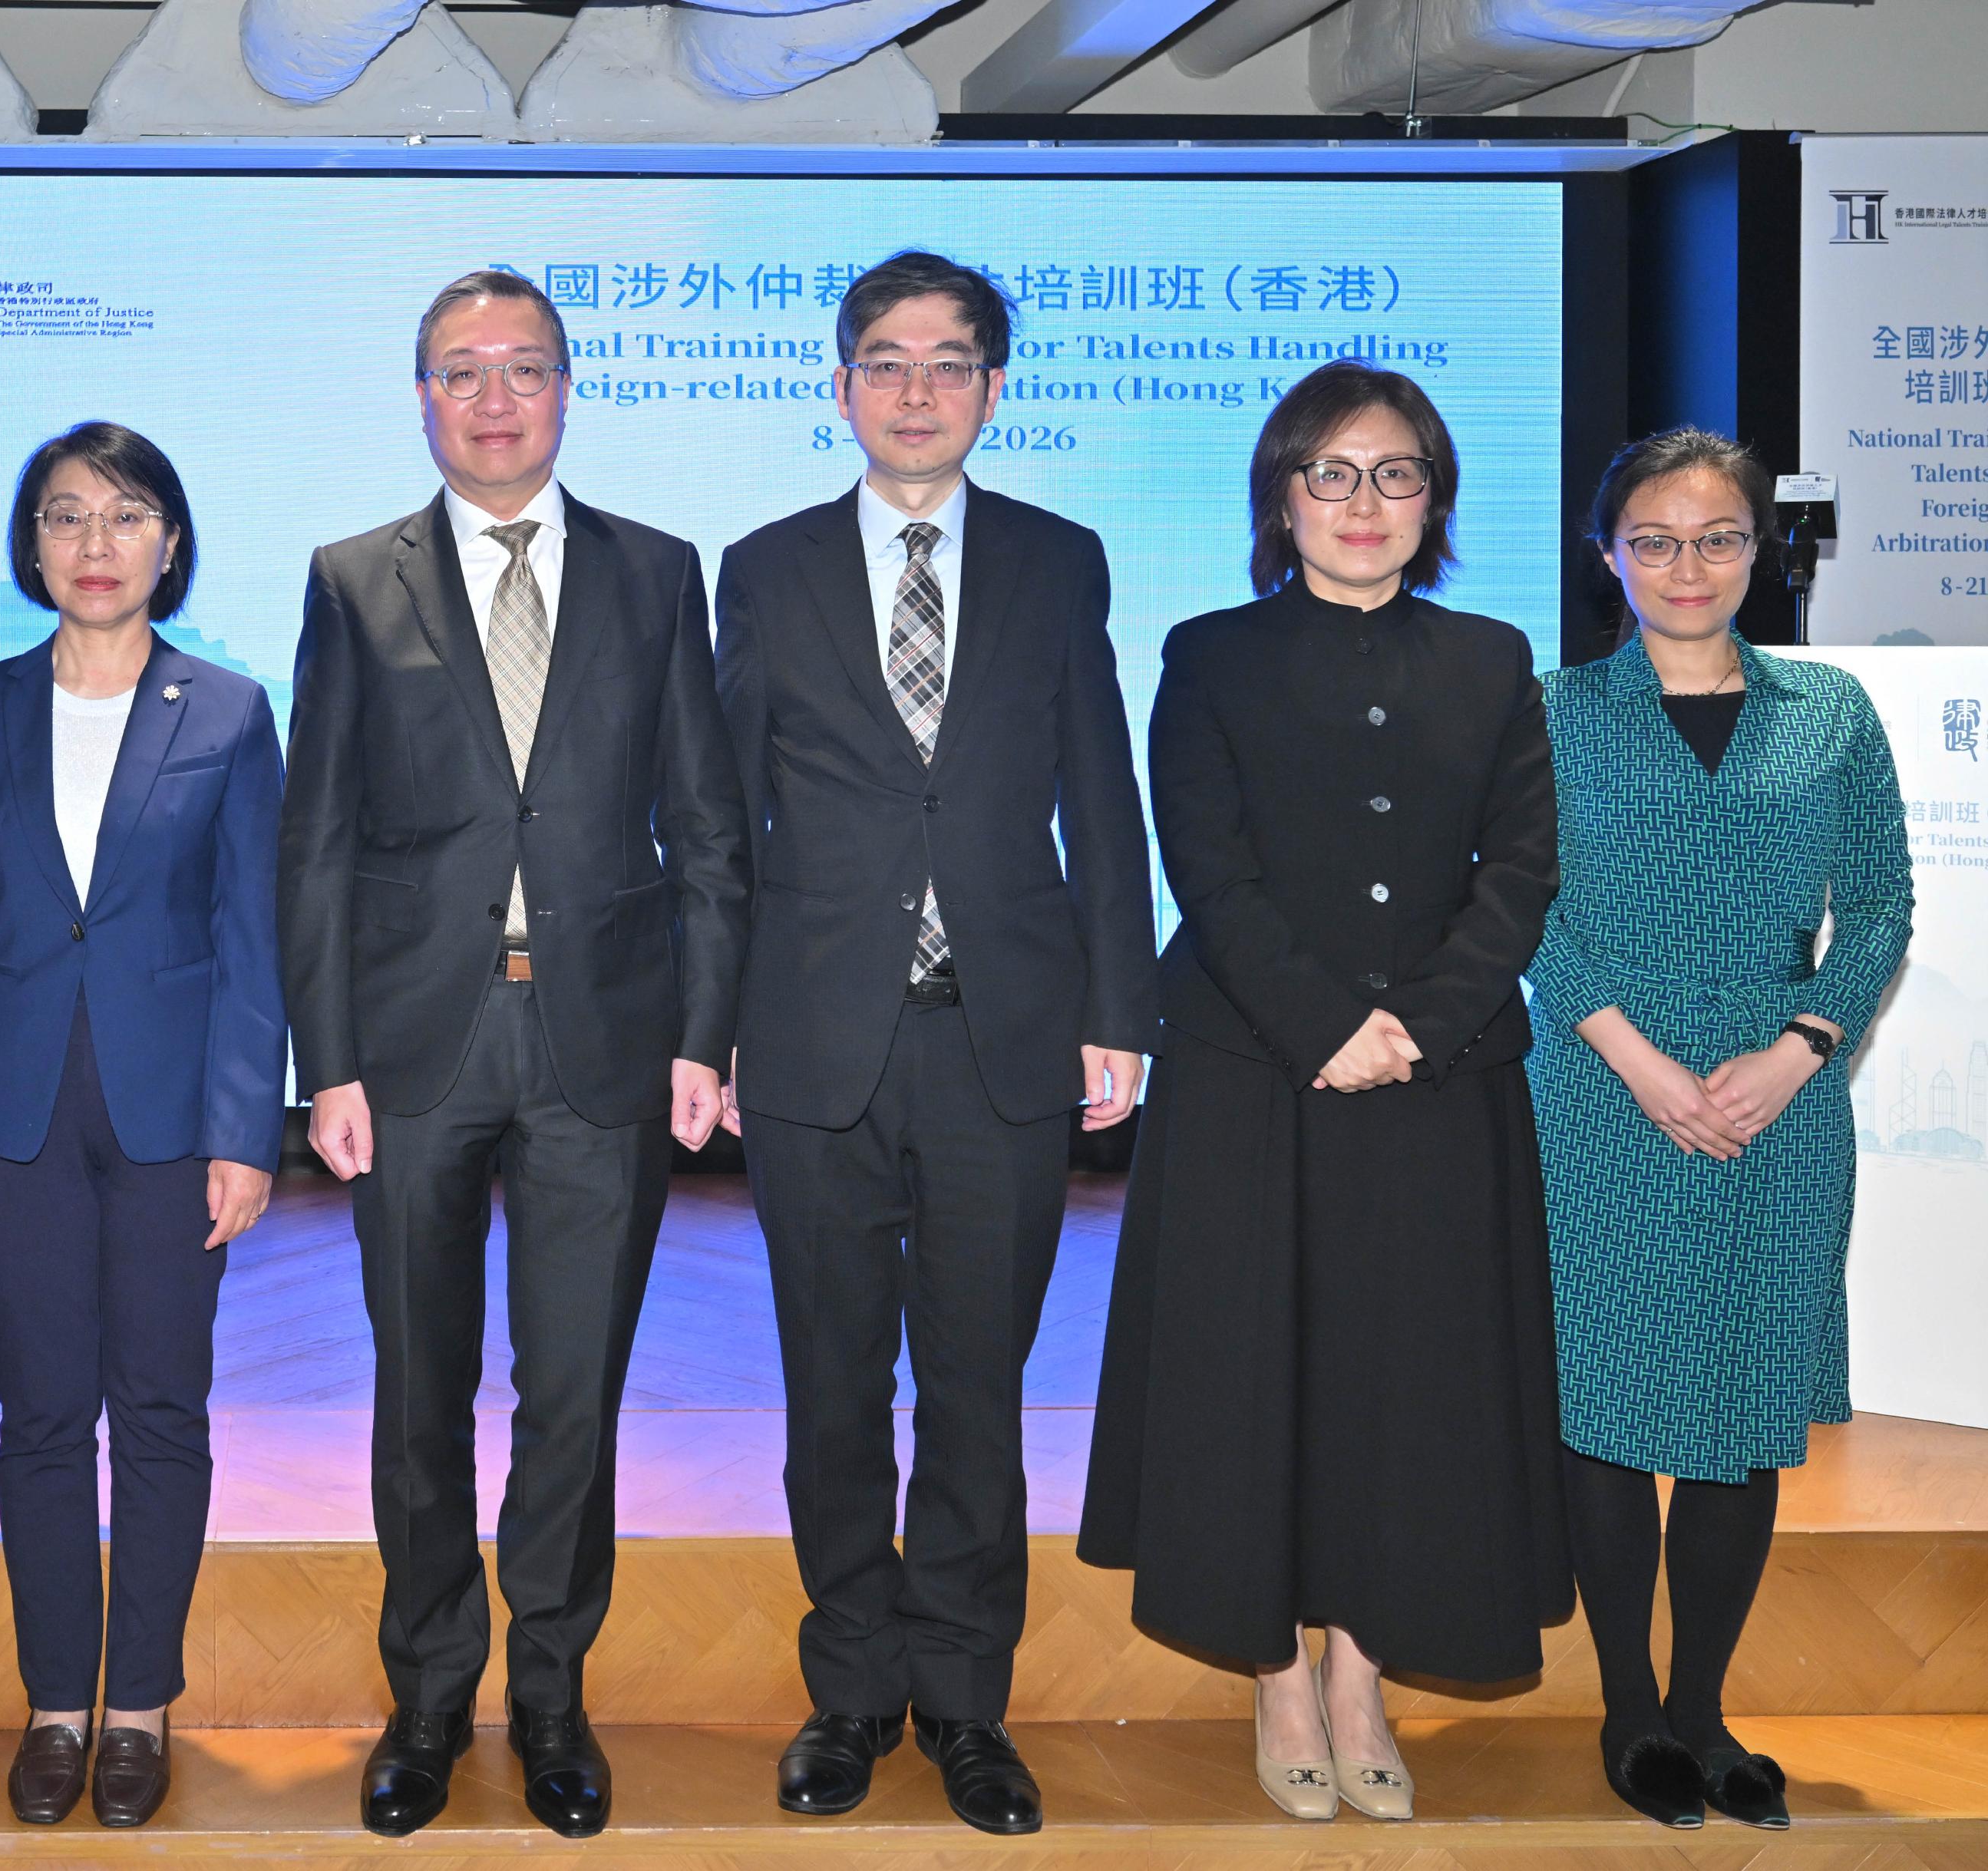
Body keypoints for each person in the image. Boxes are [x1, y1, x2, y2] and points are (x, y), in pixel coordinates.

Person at [278, 270, 752, 1840]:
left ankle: (548, 1688)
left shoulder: (652, 572)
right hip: (411, 1046)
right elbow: (319, 843)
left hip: (601, 1041)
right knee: (416, 1393)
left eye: (524, 369)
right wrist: (323, 1060)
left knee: (573, 1394)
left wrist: (703, 1031)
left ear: (567, 389)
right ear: (419, 395)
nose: (494, 398)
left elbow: (704, 826)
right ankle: (426, 1692)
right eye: (460, 371)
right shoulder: (353, 578)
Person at [1078, 358, 1570, 1822]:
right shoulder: (1209, 652)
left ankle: (1365, 1670)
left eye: (1398, 474)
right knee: (1261, 1378)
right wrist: (1323, 1023)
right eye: (1333, 475)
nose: (1366, 504)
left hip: (1442, 1079)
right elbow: (1206, 863)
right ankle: (1280, 1674)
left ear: (1436, 501)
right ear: (1281, 497)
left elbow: (1522, 869)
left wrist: (1415, 1022)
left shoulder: (1493, 659)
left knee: (1405, 1389)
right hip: (1254, 1076)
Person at [712, 250, 1155, 1835]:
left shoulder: (1054, 560)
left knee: (975, 1386)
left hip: (1003, 1040)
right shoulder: (760, 569)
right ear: (839, 386)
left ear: (988, 385)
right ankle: (849, 1692)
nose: (914, 390)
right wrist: (714, 1030)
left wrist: (1120, 1007)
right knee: (829, 1387)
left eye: (947, 361)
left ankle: (966, 1701)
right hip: (815, 1041)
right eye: (884, 362)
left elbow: (1099, 799)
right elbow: (721, 824)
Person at [1529, 428, 1911, 1831]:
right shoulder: (1553, 708)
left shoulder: (1832, 710)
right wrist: (1634, 1058)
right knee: (1614, 1410)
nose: (1687, 567)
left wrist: (1803, 1046)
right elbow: (1521, 906)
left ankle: (1707, 1709)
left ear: (1761, 549)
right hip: (1595, 1090)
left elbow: (1878, 904)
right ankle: (1633, 1711)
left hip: (1782, 1101)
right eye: (1654, 541)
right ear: (1609, 554)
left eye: (1718, 538)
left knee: (1743, 1418)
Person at [0, 423, 285, 1830]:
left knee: (164, 1410)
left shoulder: (232, 711)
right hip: (14, 1110)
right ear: (33, 544)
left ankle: (141, 1706)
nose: (95, 544)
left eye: (126, 516)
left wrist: (250, 1133)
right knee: (41, 1415)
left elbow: (254, 941)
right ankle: (56, 1698)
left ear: (169, 541)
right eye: (66, 517)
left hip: (175, 1112)